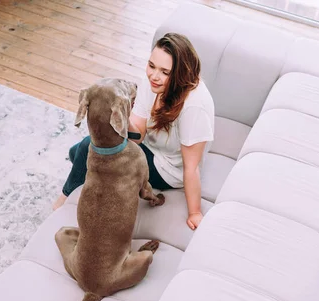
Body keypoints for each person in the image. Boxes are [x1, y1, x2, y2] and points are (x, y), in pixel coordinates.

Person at [53, 32, 215, 230]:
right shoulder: (153, 82)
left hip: (169, 168)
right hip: (150, 147)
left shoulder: (194, 106)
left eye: (165, 72)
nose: (154, 76)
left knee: (88, 147)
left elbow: (191, 167)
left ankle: (63, 200)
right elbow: (137, 135)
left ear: (181, 73)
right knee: (77, 153)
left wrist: (195, 213)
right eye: (152, 65)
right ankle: (92, 174)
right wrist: (118, 114)